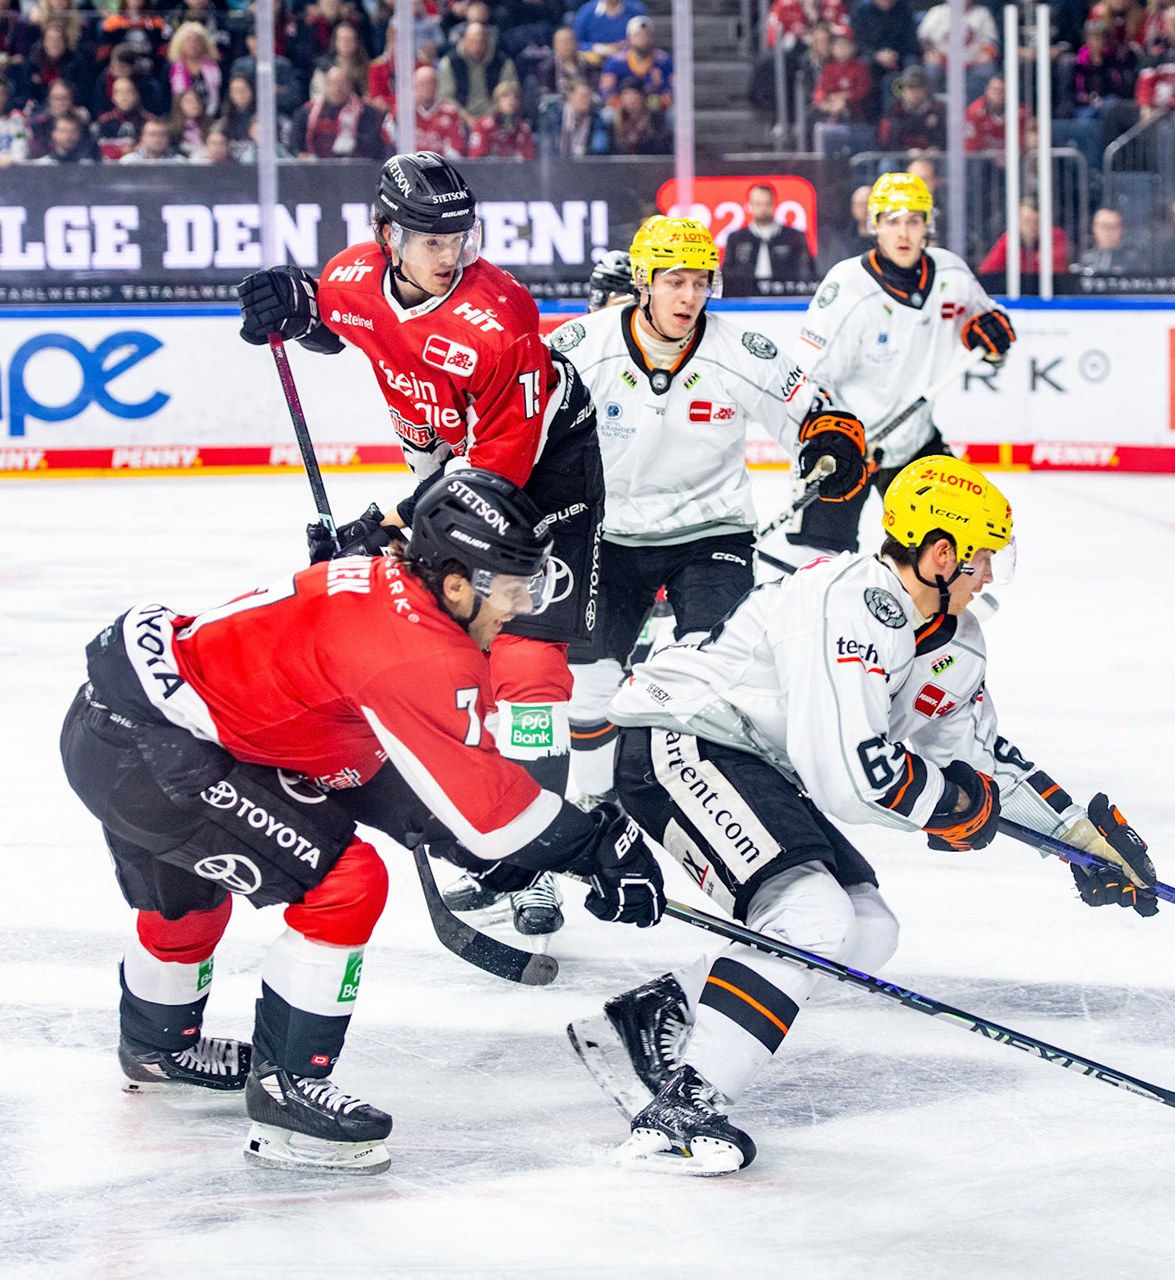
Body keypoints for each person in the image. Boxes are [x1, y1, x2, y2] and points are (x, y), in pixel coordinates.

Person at [58, 470, 665, 1173]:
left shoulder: (383, 582)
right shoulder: (422, 653)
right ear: (457, 584)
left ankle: (156, 1045)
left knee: (191, 892)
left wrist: (459, 839)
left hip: (124, 725)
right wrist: (596, 844)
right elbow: (494, 814)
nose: (525, 603)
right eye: (511, 586)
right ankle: (288, 1099)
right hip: (155, 760)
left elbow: (344, 752)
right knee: (346, 883)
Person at [569, 454, 1161, 1173]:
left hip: (756, 763)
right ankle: (680, 1114)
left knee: (869, 929)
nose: (988, 575)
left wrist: (1076, 839)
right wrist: (950, 805)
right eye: (982, 557)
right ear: (939, 555)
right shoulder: (847, 606)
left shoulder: (957, 642)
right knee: (811, 918)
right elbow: (849, 778)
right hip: (681, 738)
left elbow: (980, 760)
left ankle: (656, 1018)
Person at [235, 151, 608, 932]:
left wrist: (385, 528)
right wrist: (293, 310)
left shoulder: (499, 317)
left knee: (525, 663)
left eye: (460, 238)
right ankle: (492, 836)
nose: (451, 255)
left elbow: (498, 475)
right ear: (387, 237)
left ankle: (535, 865)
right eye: (433, 240)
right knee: (445, 653)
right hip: (448, 474)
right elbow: (339, 326)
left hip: (548, 473)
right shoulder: (351, 276)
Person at [550, 215, 862, 806]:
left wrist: (829, 441)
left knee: (713, 675)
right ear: (643, 282)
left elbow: (813, 412)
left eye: (700, 282)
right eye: (675, 282)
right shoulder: (582, 346)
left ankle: (713, 803)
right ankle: (596, 808)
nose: (689, 297)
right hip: (607, 536)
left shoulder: (739, 350)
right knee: (589, 684)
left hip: (710, 535)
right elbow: (522, 424)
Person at [788, 172, 1012, 559]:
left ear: (928, 225)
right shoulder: (847, 287)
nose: (903, 232)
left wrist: (995, 343)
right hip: (848, 445)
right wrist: (832, 436)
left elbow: (989, 333)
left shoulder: (952, 274)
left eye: (914, 220)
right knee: (818, 560)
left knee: (948, 550)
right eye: (892, 221)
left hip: (916, 442)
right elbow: (805, 378)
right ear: (874, 225)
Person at [720, 184, 815, 298]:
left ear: (774, 204)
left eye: (767, 203)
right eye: (758, 204)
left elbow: (806, 272)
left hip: (785, 298)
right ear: (750, 205)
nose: (763, 208)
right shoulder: (736, 238)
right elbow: (727, 274)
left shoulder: (794, 236)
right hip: (745, 299)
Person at [292, 64, 384, 159]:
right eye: (333, 83)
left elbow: (374, 145)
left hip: (354, 165)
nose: (337, 88)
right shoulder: (308, 111)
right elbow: (295, 143)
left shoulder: (366, 112)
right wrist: (301, 155)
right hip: (316, 165)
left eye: (341, 83)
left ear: (350, 85)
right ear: (326, 85)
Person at [384, 64, 468, 157]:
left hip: (438, 163)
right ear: (414, 86)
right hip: (409, 163)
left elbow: (456, 150)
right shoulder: (403, 110)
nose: (427, 88)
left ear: (437, 86)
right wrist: (403, 109)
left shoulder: (450, 113)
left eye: (431, 83)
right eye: (422, 84)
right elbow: (388, 137)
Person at [975, 196, 1070, 276]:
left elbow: (1054, 272)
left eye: (1037, 222)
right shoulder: (1010, 239)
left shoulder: (1056, 236)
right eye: (1027, 221)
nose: (1032, 226)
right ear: (1018, 222)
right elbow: (987, 272)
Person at [598, 14, 670, 111]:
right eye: (638, 35)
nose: (643, 39)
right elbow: (607, 91)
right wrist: (626, 103)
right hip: (622, 108)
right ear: (629, 37)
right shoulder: (615, 61)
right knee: (608, 114)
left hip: (655, 108)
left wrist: (651, 102)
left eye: (647, 35)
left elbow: (672, 91)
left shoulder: (663, 61)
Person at [464, 79, 535, 158]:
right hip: (488, 165)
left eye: (516, 97)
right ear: (497, 101)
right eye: (505, 96)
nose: (511, 100)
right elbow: (476, 157)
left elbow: (528, 159)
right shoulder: (483, 126)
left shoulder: (523, 129)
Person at [1077, 206, 1139, 274]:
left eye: (1113, 226)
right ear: (1094, 228)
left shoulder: (1133, 260)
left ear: (1122, 230)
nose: (1107, 232)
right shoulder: (1086, 259)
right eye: (1103, 226)